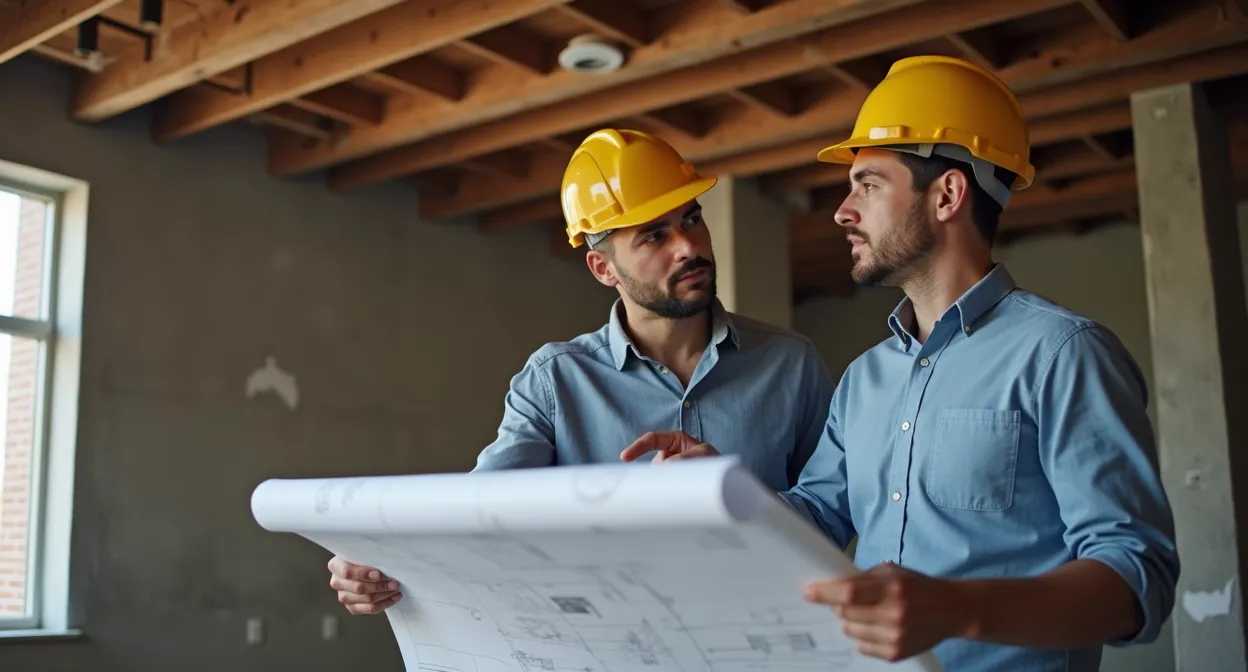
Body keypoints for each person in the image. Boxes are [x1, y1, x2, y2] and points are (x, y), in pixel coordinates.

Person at [621, 55, 1180, 670]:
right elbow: (816, 521)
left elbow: (1135, 579)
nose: (842, 210)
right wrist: (722, 491)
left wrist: (958, 608)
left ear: (947, 195)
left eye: (869, 184)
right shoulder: (864, 380)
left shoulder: (1063, 355)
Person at [327, 128, 837, 616]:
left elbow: (829, 516)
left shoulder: (790, 363)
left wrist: (738, 499)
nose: (688, 246)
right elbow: (479, 513)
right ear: (603, 269)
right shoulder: (554, 382)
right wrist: (378, 557)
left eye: (691, 218)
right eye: (654, 235)